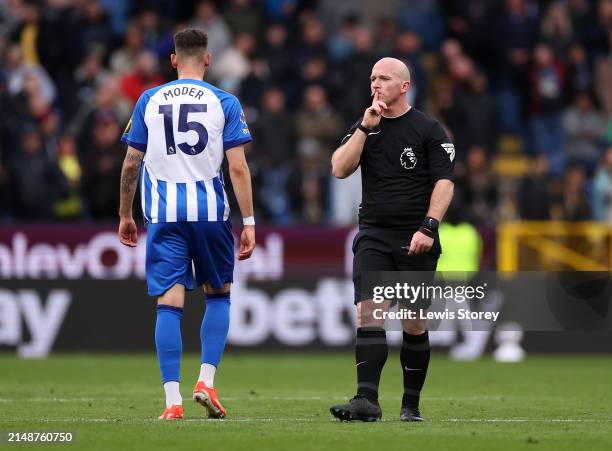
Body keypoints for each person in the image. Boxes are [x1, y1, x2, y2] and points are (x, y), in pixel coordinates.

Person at [117, 29, 255, 420]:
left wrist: (126, 213)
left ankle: (172, 402)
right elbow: (239, 168)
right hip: (210, 213)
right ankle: (206, 381)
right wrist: (249, 221)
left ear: (174, 60)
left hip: (163, 215)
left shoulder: (149, 99)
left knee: (169, 302)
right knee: (218, 294)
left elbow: (131, 162)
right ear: (208, 60)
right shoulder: (224, 101)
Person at [329, 57, 454, 422]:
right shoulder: (367, 125)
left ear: (404, 86)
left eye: (384, 78)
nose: (376, 84)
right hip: (373, 235)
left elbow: (444, 182)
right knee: (369, 313)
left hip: (416, 236)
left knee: (413, 323)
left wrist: (429, 227)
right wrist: (365, 129)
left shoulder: (429, 129)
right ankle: (366, 400)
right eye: (372, 78)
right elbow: (339, 168)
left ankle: (410, 404)